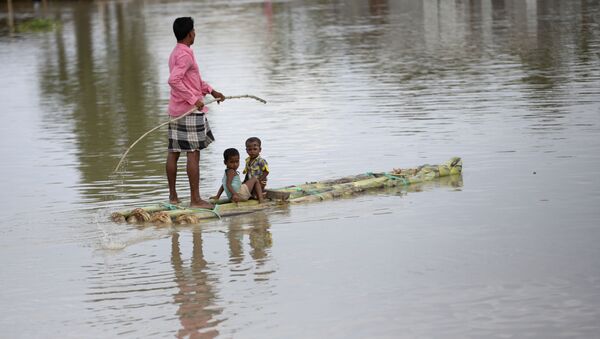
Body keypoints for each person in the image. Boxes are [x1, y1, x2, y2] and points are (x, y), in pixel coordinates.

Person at [166, 17, 226, 208]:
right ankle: (195, 200)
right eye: (194, 30)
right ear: (189, 33)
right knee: (193, 153)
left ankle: (173, 197)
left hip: (176, 109)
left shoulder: (177, 52)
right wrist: (194, 100)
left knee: (174, 151)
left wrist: (211, 91)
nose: (195, 33)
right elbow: (174, 81)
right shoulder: (185, 55)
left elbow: (192, 80)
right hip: (189, 111)